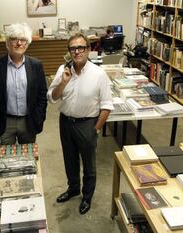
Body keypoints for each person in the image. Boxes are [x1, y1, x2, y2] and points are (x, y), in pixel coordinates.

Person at [47, 33, 113, 215]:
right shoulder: (63, 70)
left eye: (81, 47)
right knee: (70, 160)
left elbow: (107, 106)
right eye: (73, 48)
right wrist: (63, 82)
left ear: (88, 49)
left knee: (89, 164)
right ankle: (73, 188)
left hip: (87, 124)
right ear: (69, 51)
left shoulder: (99, 74)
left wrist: (96, 129)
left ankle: (86, 196)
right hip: (65, 122)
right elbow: (52, 98)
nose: (77, 52)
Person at [0, 23, 47, 145]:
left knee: (28, 158)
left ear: (27, 44)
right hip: (4, 122)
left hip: (28, 122)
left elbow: (42, 95)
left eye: (23, 40)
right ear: (7, 43)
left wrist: (39, 117)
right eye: (14, 39)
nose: (19, 43)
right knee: (6, 159)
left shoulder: (36, 65)